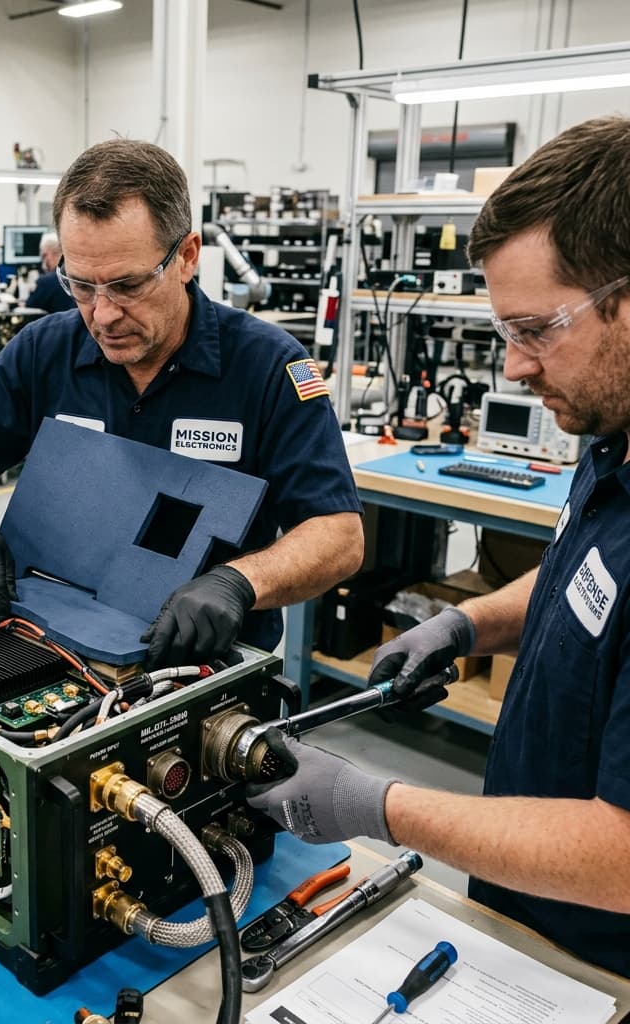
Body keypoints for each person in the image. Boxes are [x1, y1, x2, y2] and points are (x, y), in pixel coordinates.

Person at [247, 116, 630, 978]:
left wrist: (379, 807)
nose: (515, 369)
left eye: (537, 329)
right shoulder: (613, 436)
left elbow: (621, 855)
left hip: (602, 968)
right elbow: (583, 581)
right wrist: (466, 626)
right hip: (526, 912)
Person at [0, 138, 363, 668]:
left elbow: (339, 535)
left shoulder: (268, 368)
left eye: (127, 285)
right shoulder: (42, 350)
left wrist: (240, 582)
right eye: (81, 285)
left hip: (198, 661)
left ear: (187, 256)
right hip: (46, 642)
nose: (102, 315)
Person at [25, 232, 76, 313]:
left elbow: (29, 306)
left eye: (43, 256)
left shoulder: (46, 281)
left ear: (46, 255)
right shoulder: (76, 277)